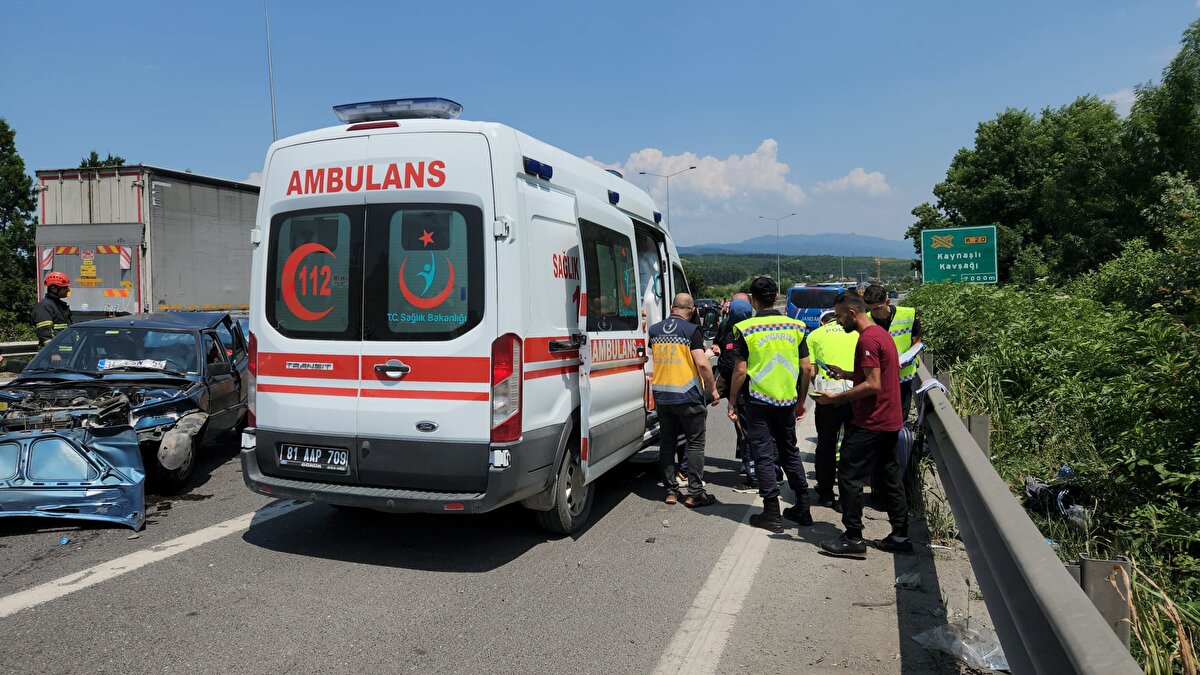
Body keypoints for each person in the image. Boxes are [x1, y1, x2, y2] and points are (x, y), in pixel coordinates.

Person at [814, 292, 910, 558]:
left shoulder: (866, 339)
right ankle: (900, 535)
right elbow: (875, 375)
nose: (838, 320)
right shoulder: (881, 334)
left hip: (870, 421)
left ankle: (853, 537)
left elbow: (873, 385)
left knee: (849, 476)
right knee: (890, 478)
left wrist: (836, 398)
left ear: (852, 313)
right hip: (890, 419)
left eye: (840, 315)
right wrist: (846, 374)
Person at [727, 276, 813, 532]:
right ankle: (803, 507)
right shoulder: (796, 327)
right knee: (789, 451)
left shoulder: (746, 329)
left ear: (753, 300)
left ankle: (772, 513)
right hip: (787, 401)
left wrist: (732, 400)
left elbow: (740, 371)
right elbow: (807, 368)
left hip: (759, 402)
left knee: (764, 455)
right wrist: (801, 401)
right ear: (776, 297)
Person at [649, 293, 720, 508]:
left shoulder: (654, 330)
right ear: (693, 311)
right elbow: (702, 363)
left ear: (672, 308)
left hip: (662, 396)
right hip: (688, 395)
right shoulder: (691, 330)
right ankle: (695, 493)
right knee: (695, 443)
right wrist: (713, 389)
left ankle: (670, 491)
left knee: (668, 443)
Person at [804, 309, 858, 510]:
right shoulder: (857, 332)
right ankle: (847, 498)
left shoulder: (815, 335)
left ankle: (826, 494)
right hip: (855, 393)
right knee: (852, 446)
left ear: (822, 323)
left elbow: (810, 369)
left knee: (826, 444)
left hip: (828, 396)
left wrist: (816, 388)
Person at [713, 294, 755, 489]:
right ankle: (751, 465)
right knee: (744, 425)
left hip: (741, 383)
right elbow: (718, 343)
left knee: (745, 427)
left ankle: (750, 469)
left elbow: (741, 367)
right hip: (737, 380)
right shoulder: (726, 327)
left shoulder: (750, 330)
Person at [862, 284, 922, 422]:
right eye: (870, 309)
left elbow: (917, 342)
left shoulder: (908, 314)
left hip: (903, 377)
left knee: (900, 418)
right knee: (880, 419)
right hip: (878, 379)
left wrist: (909, 357)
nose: (874, 313)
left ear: (887, 302)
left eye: (877, 308)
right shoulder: (865, 320)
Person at [33, 272, 74, 355]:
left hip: (67, 354)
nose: (68, 290)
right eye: (65, 287)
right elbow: (45, 335)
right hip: (54, 356)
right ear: (54, 288)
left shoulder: (60, 306)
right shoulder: (44, 307)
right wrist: (54, 354)